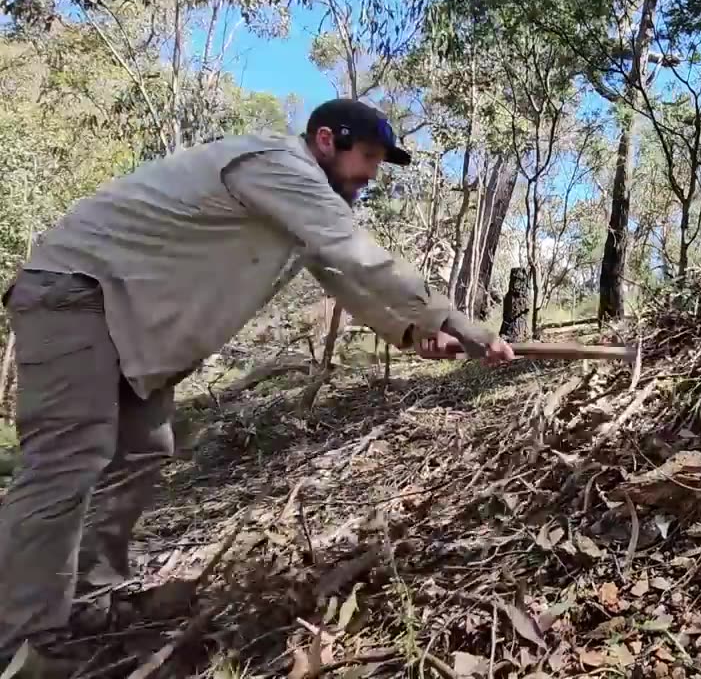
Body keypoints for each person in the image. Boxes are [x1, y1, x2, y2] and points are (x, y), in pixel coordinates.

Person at [0, 98, 514, 675]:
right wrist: (458, 321)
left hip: (130, 318)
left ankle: (91, 603)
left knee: (142, 450)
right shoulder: (276, 165)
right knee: (67, 461)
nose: (371, 174)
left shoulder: (297, 201)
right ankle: (22, 639)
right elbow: (359, 255)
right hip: (77, 292)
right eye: (366, 156)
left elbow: (341, 275)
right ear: (326, 140)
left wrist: (415, 329)